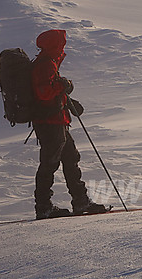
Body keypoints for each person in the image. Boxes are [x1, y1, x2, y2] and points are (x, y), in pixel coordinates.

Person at [31, 29, 108, 219]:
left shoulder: (49, 62)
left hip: (57, 121)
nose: (63, 47)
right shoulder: (46, 64)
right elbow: (44, 93)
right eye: (62, 44)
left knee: (71, 158)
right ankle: (44, 207)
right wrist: (63, 85)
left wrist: (66, 98)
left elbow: (50, 92)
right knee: (50, 164)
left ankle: (80, 201)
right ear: (55, 45)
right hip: (50, 123)